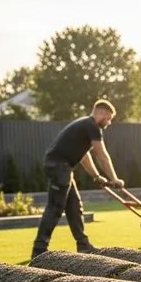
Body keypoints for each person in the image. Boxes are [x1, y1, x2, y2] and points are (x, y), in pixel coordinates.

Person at [31, 99, 125, 260]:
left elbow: (84, 156)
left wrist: (96, 176)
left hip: (63, 167)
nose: (108, 122)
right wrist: (114, 178)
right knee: (55, 207)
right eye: (108, 118)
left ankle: (83, 245)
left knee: (74, 206)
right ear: (100, 113)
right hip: (59, 166)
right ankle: (39, 249)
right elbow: (101, 155)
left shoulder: (84, 125)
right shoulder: (92, 126)